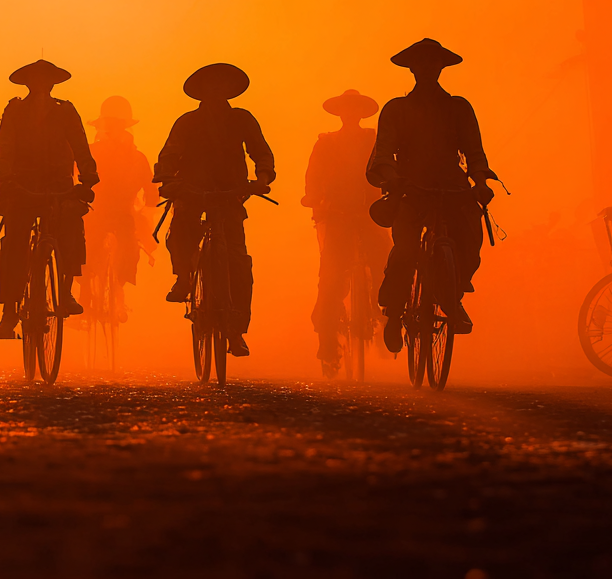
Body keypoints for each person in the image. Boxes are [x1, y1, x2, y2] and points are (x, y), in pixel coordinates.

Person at [367, 38, 497, 352]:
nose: (427, 70)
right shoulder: (396, 109)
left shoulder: (459, 108)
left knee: (470, 242)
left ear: (440, 68)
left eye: (432, 64)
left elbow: (474, 152)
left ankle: (450, 294)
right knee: (406, 251)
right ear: (412, 69)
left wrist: (479, 181)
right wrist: (393, 178)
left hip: (453, 189)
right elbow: (382, 154)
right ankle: (395, 312)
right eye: (421, 64)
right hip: (410, 189)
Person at [155, 63, 275, 357]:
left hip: (231, 196)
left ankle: (235, 330)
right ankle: (184, 277)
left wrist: (263, 177)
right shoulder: (187, 122)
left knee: (238, 262)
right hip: (192, 193)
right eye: (211, 86)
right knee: (180, 234)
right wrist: (168, 180)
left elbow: (261, 151)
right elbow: (170, 154)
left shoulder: (242, 119)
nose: (216, 91)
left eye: (221, 86)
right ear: (202, 92)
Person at [0, 59, 99, 340]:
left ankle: (65, 294)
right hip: (21, 186)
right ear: (28, 84)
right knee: (14, 244)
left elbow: (80, 144)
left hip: (59, 185)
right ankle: (10, 310)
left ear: (52, 84)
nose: (40, 87)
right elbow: (5, 146)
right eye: (35, 82)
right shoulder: (14, 110)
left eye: (45, 81)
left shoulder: (65, 111)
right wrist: (6, 179)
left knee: (72, 230)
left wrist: (88, 178)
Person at [302, 89, 391, 376]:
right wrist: (313, 197)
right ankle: (328, 346)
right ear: (340, 113)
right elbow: (313, 176)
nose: (350, 114)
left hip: (371, 214)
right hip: (337, 215)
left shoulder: (374, 140)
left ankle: (387, 315)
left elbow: (389, 169)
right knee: (329, 281)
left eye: (355, 110)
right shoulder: (326, 143)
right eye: (346, 109)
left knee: (384, 267)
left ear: (361, 114)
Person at [80, 96, 157, 321]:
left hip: (120, 215)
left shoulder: (135, 157)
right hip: (96, 213)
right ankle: (85, 299)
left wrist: (149, 207)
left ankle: (115, 292)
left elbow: (151, 189)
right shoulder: (92, 154)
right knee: (85, 250)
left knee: (129, 250)